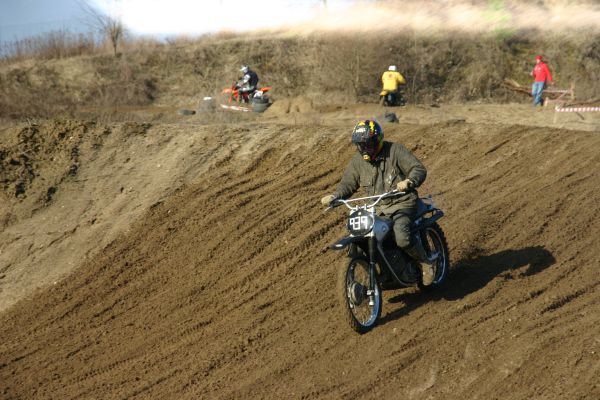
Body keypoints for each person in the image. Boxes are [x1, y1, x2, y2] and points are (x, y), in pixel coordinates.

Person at [320, 120, 437, 285]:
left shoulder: (395, 151)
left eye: (368, 144)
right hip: (378, 208)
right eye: (361, 145)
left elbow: (418, 169)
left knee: (401, 236)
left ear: (378, 140)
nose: (365, 149)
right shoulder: (358, 162)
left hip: (403, 204)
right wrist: (335, 196)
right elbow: (347, 184)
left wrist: (409, 181)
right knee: (365, 235)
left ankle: (426, 263)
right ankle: (384, 271)